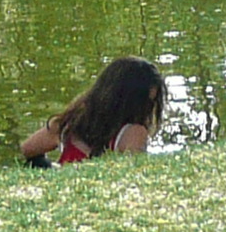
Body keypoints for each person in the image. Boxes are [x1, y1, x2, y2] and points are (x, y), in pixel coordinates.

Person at [21, 56, 166, 166]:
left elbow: (27, 149)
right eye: (148, 102)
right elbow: (134, 172)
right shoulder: (134, 132)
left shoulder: (71, 122)